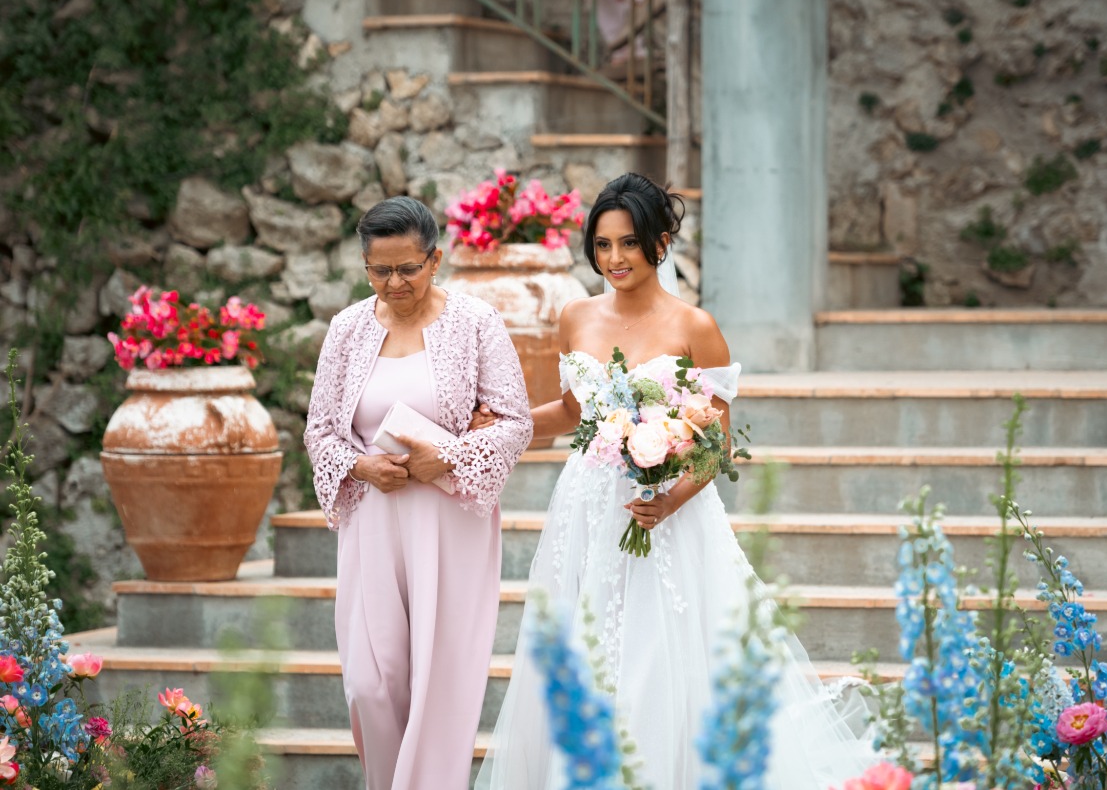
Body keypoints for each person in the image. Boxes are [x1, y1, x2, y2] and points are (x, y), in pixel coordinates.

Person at [474, 173, 874, 788]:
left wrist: (667, 500)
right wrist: (499, 429)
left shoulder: (696, 327)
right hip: (585, 510)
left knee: (656, 664)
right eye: (602, 245)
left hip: (667, 517)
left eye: (629, 244)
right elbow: (573, 414)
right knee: (584, 657)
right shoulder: (576, 317)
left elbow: (715, 446)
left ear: (660, 243)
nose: (614, 259)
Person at [304, 196, 533, 789]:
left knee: (439, 684)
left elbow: (514, 420)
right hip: (374, 518)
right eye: (380, 270)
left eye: (408, 267)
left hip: (449, 518)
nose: (394, 281)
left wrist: (449, 457)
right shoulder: (347, 329)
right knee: (370, 683)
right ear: (365, 267)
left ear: (436, 260)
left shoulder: (476, 322)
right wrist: (360, 468)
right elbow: (320, 429)